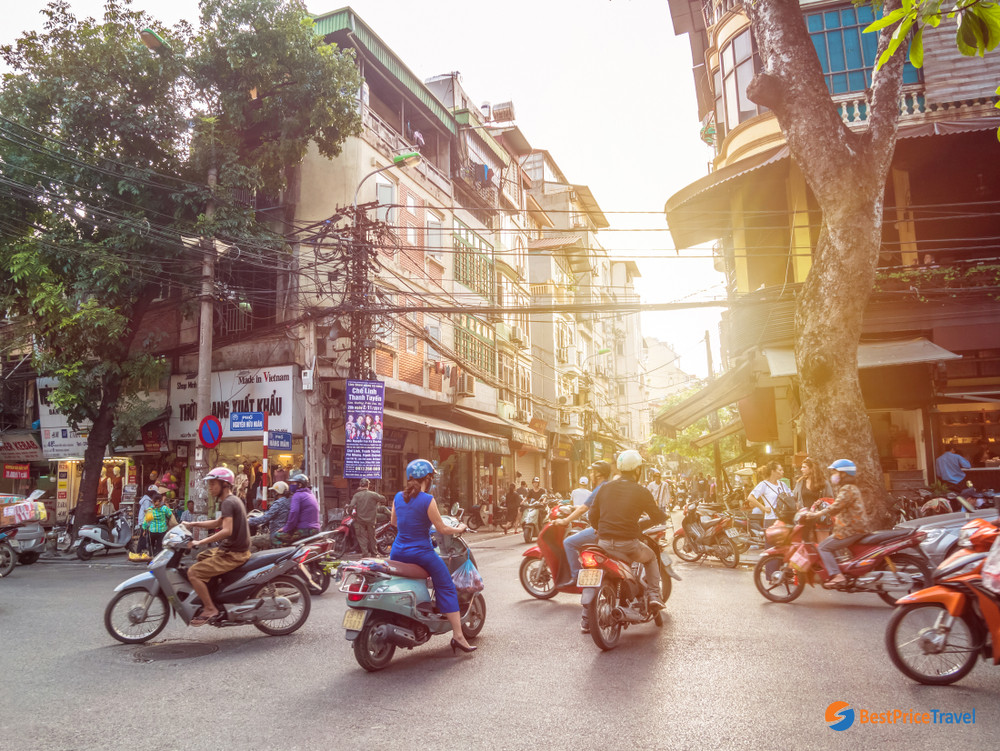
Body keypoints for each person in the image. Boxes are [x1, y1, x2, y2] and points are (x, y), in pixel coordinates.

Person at [391, 459, 476, 654]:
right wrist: (460, 528)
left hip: (397, 552)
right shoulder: (427, 500)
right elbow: (442, 529)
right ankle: (458, 636)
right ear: (428, 479)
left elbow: (394, 522)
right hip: (421, 553)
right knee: (446, 586)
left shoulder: (397, 497)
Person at [589, 450, 667, 611]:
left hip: (603, 544)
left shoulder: (605, 488)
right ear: (637, 470)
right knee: (651, 557)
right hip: (628, 545)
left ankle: (590, 614)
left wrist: (599, 529)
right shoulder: (641, 491)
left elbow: (592, 515)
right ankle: (654, 594)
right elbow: (657, 516)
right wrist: (660, 517)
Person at [181, 467, 252, 626]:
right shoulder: (231, 500)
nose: (210, 488)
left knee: (193, 573)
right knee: (201, 556)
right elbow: (217, 523)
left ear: (224, 484)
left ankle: (210, 608)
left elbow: (226, 530)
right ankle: (215, 594)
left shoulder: (228, 502)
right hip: (231, 550)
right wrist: (193, 524)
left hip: (233, 554)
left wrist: (200, 542)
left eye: (213, 484)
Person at [556, 460, 613, 631]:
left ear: (599, 474)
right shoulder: (609, 487)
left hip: (599, 531)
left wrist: (565, 520)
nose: (590, 474)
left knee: (569, 542)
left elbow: (583, 509)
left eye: (592, 472)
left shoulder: (600, 488)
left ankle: (575, 575)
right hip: (610, 531)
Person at [799, 459, 872, 588]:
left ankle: (837, 575)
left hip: (849, 530)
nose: (833, 475)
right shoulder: (851, 488)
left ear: (843, 474)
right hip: (854, 528)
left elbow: (835, 506)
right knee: (831, 546)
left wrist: (817, 514)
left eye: (835, 473)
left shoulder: (847, 489)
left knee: (823, 547)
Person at [277, 473, 320, 544]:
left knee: (276, 536)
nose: (291, 485)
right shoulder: (310, 494)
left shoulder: (297, 495)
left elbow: (294, 513)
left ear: (300, 485)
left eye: (293, 483)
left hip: (304, 530)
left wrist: (286, 528)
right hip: (316, 529)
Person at [249, 481, 292, 550]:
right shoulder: (288, 501)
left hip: (275, 534)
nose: (273, 493)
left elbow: (265, 518)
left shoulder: (279, 503)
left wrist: (249, 521)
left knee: (249, 541)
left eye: (274, 491)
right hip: (283, 533)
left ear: (277, 492)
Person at [349, 479, 385, 557]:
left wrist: (351, 514)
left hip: (360, 520)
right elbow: (383, 499)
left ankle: (365, 554)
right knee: (372, 537)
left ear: (360, 485)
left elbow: (351, 506)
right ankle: (374, 554)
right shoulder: (373, 494)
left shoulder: (357, 495)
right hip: (371, 520)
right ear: (368, 485)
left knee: (361, 537)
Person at [747, 461, 786, 527]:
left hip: (784, 518)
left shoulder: (782, 484)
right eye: (780, 470)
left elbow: (790, 497)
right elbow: (750, 497)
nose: (783, 472)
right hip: (771, 519)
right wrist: (763, 508)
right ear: (773, 471)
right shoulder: (764, 485)